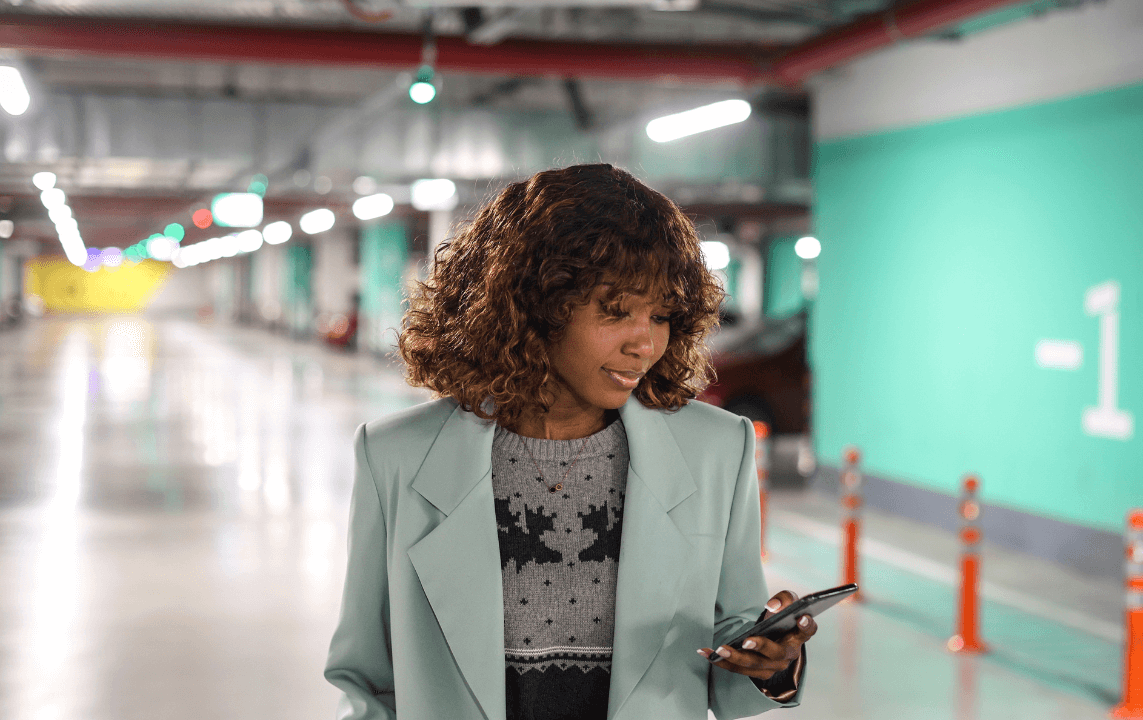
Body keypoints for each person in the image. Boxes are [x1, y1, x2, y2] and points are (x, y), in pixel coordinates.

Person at [324, 163, 817, 720]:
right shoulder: (396, 456)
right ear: (533, 304)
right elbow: (367, 680)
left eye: (660, 315)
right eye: (617, 312)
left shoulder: (717, 450)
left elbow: (727, 646)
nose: (646, 342)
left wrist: (770, 664)